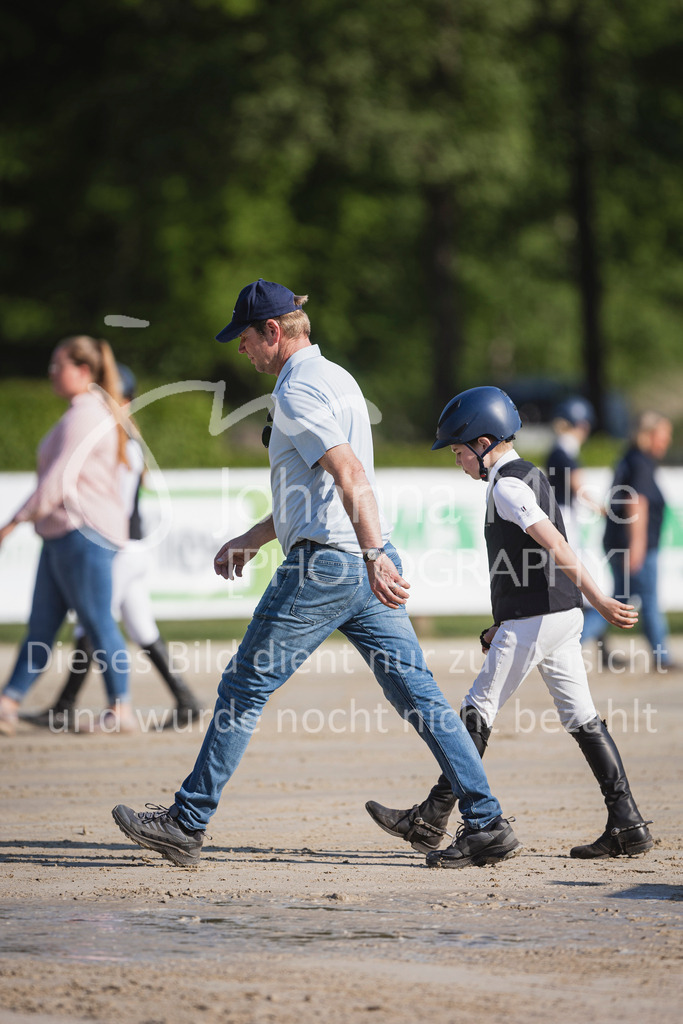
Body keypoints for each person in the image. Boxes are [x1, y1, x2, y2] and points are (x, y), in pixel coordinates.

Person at [112, 278, 521, 869]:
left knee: (242, 688)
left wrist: (375, 553)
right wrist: (257, 539)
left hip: (328, 565)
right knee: (421, 698)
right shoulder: (339, 380)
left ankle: (186, 820)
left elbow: (349, 474)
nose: (241, 349)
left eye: (246, 338)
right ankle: (486, 824)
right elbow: (320, 491)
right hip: (356, 559)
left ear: (273, 331)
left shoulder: (298, 391)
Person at [366, 386, 653, 862]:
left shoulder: (506, 485)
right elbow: (530, 564)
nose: (457, 462)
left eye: (459, 452)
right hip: (555, 619)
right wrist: (505, 624)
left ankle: (433, 818)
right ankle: (627, 823)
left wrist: (600, 599)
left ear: (483, 443)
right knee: (581, 718)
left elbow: (556, 544)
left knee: (476, 711)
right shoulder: (527, 474)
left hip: (540, 620)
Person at [27, 364, 202, 731]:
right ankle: (185, 699)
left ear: (124, 399)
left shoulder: (121, 443)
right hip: (133, 550)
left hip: (122, 549)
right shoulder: (124, 439)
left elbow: (117, 507)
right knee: (141, 628)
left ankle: (65, 705)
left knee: (91, 624)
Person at [0, 336, 134, 737]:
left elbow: (58, 480)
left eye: (59, 365)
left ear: (84, 371)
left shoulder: (86, 413)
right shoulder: (82, 411)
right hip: (64, 531)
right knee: (42, 624)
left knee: (97, 622)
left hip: (83, 531)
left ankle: (120, 708)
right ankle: (8, 701)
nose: (51, 372)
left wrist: (12, 522)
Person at [581, 412, 674, 671]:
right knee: (633, 601)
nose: (666, 442)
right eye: (664, 436)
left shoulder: (629, 458)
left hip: (619, 541)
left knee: (621, 599)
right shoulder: (641, 462)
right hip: (634, 544)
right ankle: (661, 656)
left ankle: (661, 654)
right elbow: (637, 504)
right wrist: (637, 546)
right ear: (650, 435)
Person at [545, 396, 602, 550]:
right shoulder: (564, 453)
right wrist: (601, 509)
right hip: (564, 515)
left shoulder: (558, 450)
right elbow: (579, 488)